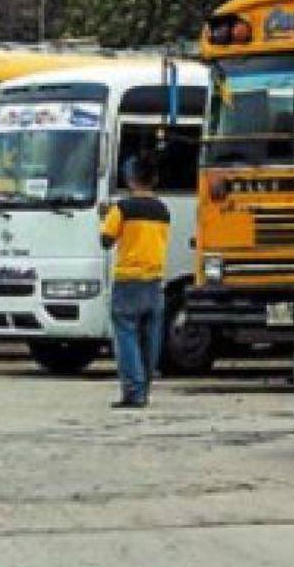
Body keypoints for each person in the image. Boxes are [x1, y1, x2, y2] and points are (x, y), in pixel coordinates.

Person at [100, 153, 170, 409]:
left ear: (130, 179)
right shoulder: (162, 210)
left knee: (126, 334)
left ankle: (134, 391)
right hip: (154, 280)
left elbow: (106, 240)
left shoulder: (123, 208)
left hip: (128, 280)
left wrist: (105, 217)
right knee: (150, 338)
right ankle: (145, 387)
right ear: (154, 179)